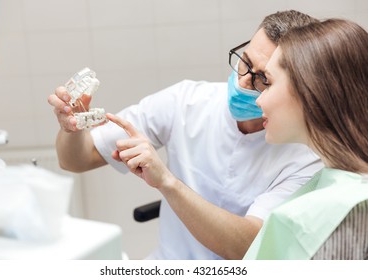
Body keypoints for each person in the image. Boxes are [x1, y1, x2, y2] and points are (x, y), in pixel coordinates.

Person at [48, 10, 323, 260]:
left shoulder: (306, 155)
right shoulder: (187, 101)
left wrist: (167, 182)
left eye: (263, 78)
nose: (243, 81)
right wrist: (70, 128)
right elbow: (76, 160)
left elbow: (248, 248)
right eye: (245, 61)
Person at [242, 18, 368, 259]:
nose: (258, 99)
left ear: (309, 90)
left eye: (267, 82)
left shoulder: (336, 215)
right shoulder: (336, 181)